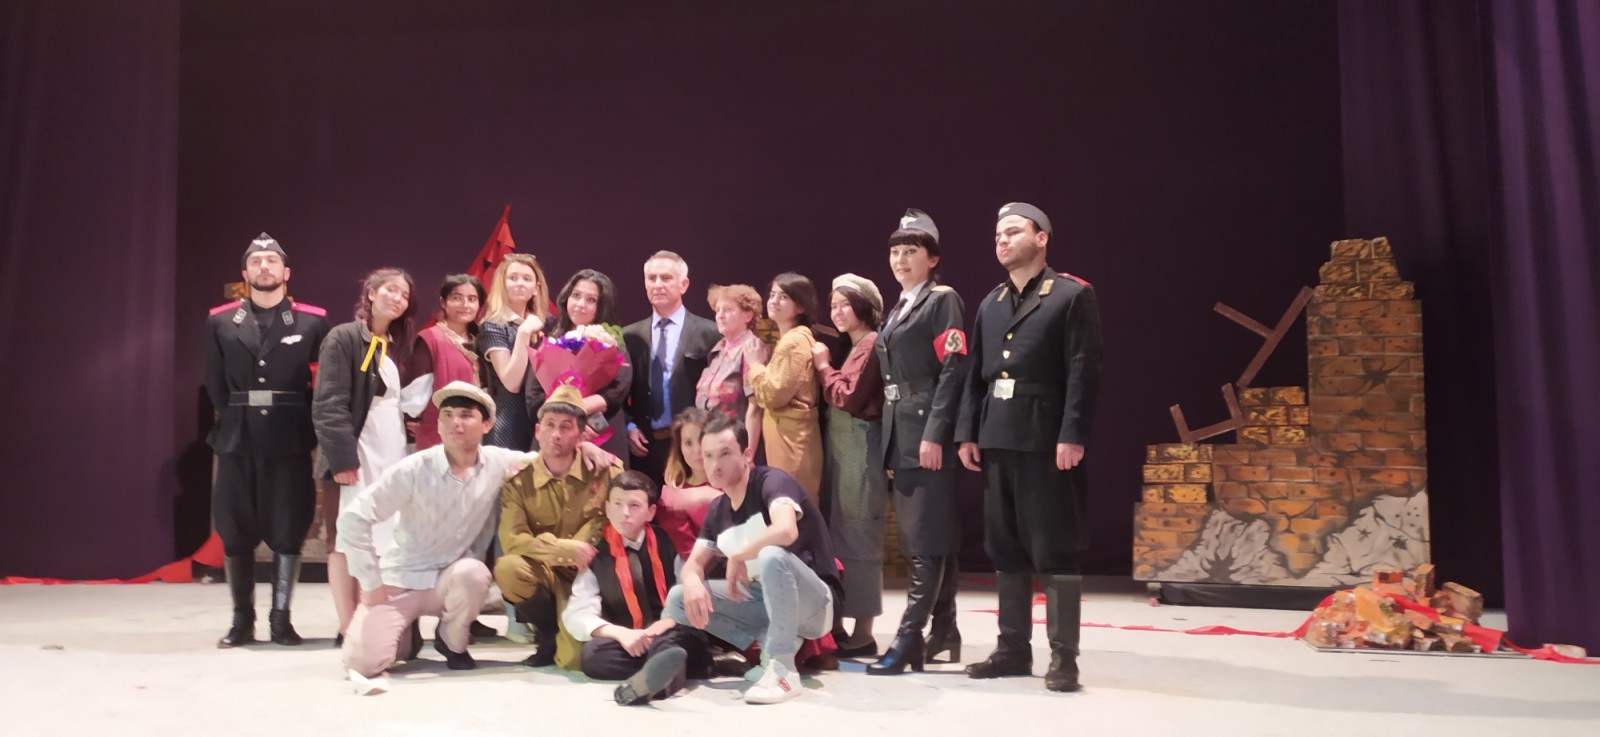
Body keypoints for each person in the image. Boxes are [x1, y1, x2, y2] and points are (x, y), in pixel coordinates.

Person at [338, 382, 617, 695]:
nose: (455, 423)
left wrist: (585, 447)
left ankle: (451, 641)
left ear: (486, 424)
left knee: (475, 572)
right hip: (401, 578)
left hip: (453, 578)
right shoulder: (413, 468)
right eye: (447, 415)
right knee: (362, 664)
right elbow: (352, 518)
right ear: (438, 423)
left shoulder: (499, 463)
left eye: (465, 415)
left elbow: (549, 456)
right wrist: (370, 581)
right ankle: (405, 632)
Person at [956, 202, 1102, 693]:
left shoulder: (1071, 295)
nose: (1002, 240)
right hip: (997, 436)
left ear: (1041, 239)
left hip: (1045, 439)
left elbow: (1083, 370)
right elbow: (976, 375)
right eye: (998, 233)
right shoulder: (991, 302)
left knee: (1055, 548)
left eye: (1013, 231)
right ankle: (1013, 650)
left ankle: (1064, 658)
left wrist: (1072, 433)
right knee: (1005, 547)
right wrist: (967, 432)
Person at [204, 233, 330, 648]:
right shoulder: (221, 321)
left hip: (288, 438)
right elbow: (215, 383)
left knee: (288, 527)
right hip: (237, 438)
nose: (264, 267)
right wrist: (237, 416)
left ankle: (281, 621)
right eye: (256, 261)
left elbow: (321, 385)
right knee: (235, 527)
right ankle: (241, 622)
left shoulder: (312, 321)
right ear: (245, 273)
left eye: (271, 261)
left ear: (286, 272)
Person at [663, 414, 841, 705]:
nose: (715, 464)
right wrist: (692, 580)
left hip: (816, 604)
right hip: (765, 601)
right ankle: (769, 642)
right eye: (708, 456)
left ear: (746, 455)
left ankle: (783, 671)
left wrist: (740, 555)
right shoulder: (718, 509)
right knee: (678, 599)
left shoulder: (772, 482)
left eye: (725, 454)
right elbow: (693, 563)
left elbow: (786, 530)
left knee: (772, 555)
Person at [867, 208, 971, 675]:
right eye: (895, 251)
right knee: (929, 536)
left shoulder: (942, 300)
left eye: (911, 251)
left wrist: (936, 433)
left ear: (933, 258)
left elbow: (953, 368)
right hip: (902, 433)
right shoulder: (900, 307)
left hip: (927, 430)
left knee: (925, 540)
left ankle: (909, 637)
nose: (901, 259)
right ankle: (945, 629)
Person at [314, 267, 416, 647]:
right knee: (345, 537)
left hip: (390, 451)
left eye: (404, 295)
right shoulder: (344, 337)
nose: (397, 298)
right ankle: (348, 626)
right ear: (371, 293)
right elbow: (329, 403)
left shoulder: (398, 345)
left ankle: (373, 619)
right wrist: (342, 459)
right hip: (357, 451)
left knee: (382, 537)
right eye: (391, 290)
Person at [495, 383, 627, 670]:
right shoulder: (519, 480)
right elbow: (512, 538)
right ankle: (549, 633)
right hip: (545, 570)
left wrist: (586, 546)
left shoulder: (606, 470)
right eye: (550, 424)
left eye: (566, 427)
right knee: (508, 568)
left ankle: (573, 634)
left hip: (591, 574)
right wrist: (564, 550)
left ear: (581, 435)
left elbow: (619, 521)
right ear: (537, 430)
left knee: (574, 661)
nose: (556, 434)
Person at [562, 471, 712, 705]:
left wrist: (667, 622)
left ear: (650, 511)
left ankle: (649, 683)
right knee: (592, 656)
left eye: (634, 505)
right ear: (607, 508)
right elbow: (577, 614)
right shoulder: (596, 555)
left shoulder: (669, 542)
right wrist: (621, 634)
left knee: (674, 643)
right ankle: (672, 670)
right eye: (618, 504)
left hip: (672, 629)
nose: (625, 513)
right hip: (631, 638)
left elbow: (686, 589)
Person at [811, 274, 887, 660]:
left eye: (845, 304)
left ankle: (864, 633)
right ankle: (840, 624)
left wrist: (824, 366)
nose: (837, 311)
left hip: (860, 449)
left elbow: (850, 397)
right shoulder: (854, 345)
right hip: (844, 448)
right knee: (840, 534)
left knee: (860, 535)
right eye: (833, 304)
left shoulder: (871, 343)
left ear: (864, 307)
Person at [623, 251, 719, 487]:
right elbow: (619, 389)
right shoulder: (629, 336)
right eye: (651, 278)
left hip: (693, 448)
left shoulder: (710, 333)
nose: (658, 284)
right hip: (644, 446)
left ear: (684, 284)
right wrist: (629, 426)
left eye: (666, 278)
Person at [747, 273, 824, 502]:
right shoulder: (792, 338)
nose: (774, 301)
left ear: (801, 306)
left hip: (791, 440)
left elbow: (772, 395)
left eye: (784, 297)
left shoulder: (794, 341)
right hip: (788, 436)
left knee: (790, 503)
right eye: (772, 295)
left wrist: (754, 365)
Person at [549, 269, 632, 460]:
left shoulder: (612, 343)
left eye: (591, 300)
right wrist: (568, 419)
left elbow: (619, 389)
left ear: (602, 306)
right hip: (555, 437)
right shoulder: (549, 342)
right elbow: (534, 396)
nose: (580, 304)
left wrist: (582, 414)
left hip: (600, 433)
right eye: (576, 295)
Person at [480, 253, 554, 452]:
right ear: (502, 284)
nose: (520, 283)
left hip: (542, 417)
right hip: (509, 422)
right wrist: (523, 333)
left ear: (536, 288)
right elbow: (512, 383)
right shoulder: (494, 325)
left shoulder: (546, 322)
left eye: (527, 279)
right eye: (513, 278)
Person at [403, 274, 485, 451]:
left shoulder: (482, 343)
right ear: (443, 302)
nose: (465, 305)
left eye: (472, 299)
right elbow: (414, 397)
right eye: (457, 298)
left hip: (476, 435)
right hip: (437, 436)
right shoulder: (430, 339)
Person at [694, 284, 768, 438]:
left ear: (748, 315)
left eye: (727, 310)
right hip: (710, 438)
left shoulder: (752, 348)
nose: (720, 316)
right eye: (718, 310)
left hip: (735, 441)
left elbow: (755, 409)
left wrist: (749, 450)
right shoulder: (719, 350)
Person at [655, 407, 719, 557]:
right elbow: (689, 552)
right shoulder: (672, 498)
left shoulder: (739, 480)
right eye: (688, 443)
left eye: (702, 440)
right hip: (706, 565)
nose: (697, 450)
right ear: (680, 448)